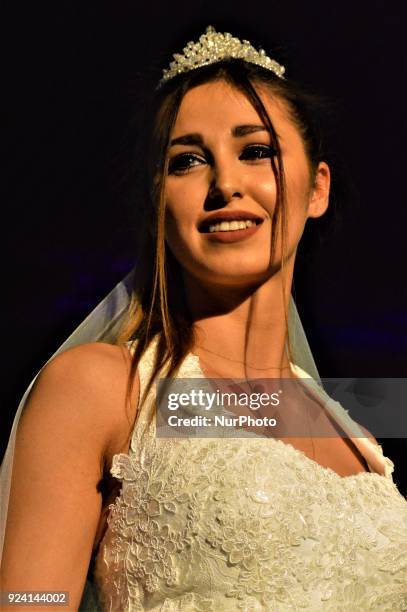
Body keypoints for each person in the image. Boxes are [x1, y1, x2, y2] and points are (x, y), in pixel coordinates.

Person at [1, 25, 406, 611]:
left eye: (257, 151)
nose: (226, 184)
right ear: (158, 200)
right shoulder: (99, 388)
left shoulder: (355, 435)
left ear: (317, 187)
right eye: (188, 161)